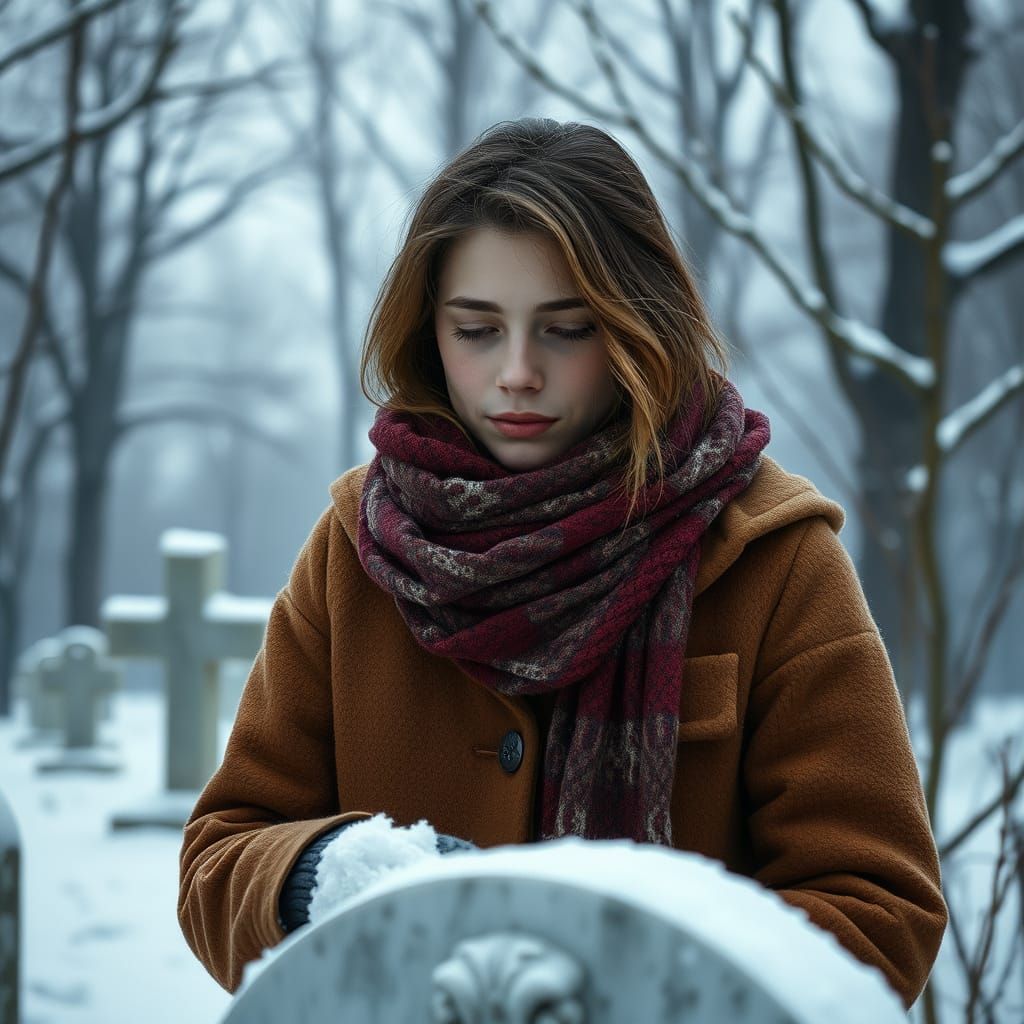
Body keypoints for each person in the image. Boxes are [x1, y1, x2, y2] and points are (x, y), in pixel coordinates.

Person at [177, 117, 947, 1007]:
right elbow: (221, 858)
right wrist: (346, 879)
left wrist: (621, 974)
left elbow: (880, 911)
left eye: (566, 329)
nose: (516, 373)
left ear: (637, 326)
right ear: (427, 333)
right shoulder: (356, 550)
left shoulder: (774, 561)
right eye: (476, 329)